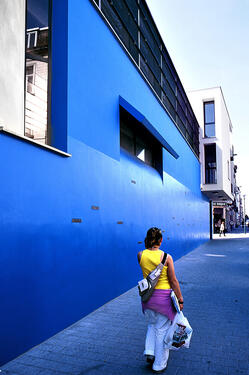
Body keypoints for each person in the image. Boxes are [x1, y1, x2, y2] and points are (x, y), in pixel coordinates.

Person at [137, 227, 184, 373]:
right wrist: (180, 299)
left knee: (153, 324)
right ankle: (159, 364)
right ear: (161, 240)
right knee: (161, 331)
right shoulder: (167, 257)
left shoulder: (140, 255)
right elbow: (173, 281)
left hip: (147, 299)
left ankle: (149, 351)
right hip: (163, 300)